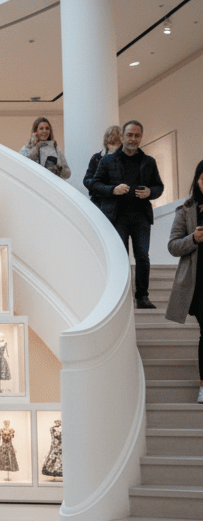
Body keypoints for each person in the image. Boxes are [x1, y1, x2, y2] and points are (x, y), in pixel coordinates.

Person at [90, 120, 164, 308]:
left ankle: (142, 297)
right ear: (122, 137)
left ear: (141, 138)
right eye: (129, 135)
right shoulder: (107, 161)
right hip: (117, 217)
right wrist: (112, 190)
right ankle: (120, 298)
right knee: (120, 258)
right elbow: (94, 184)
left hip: (141, 218)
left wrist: (150, 192)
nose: (133, 139)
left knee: (142, 257)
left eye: (137, 135)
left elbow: (159, 187)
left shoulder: (149, 162)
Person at [165, 158, 203, 404]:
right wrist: (194, 238)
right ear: (197, 180)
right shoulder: (187, 210)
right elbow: (173, 246)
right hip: (198, 282)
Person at [84, 125, 122, 208]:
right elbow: (87, 180)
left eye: (118, 141)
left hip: (120, 206)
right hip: (99, 203)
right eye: (113, 141)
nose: (116, 145)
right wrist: (102, 186)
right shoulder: (97, 158)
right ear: (106, 141)